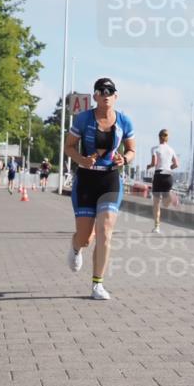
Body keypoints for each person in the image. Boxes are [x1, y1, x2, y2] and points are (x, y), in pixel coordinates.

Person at [64, 77, 136, 300]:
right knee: (86, 238)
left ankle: (97, 285)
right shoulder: (83, 119)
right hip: (86, 179)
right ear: (95, 96)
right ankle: (76, 247)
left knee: (105, 231)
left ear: (116, 96)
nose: (106, 94)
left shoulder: (124, 121)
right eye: (101, 91)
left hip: (110, 180)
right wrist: (81, 160)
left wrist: (125, 158)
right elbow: (69, 146)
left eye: (110, 91)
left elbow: (132, 150)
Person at [146, 128, 179, 234]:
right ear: (167, 138)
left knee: (156, 203)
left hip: (159, 175)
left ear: (159, 137)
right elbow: (176, 164)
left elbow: (154, 162)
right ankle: (171, 195)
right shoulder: (171, 150)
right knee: (165, 203)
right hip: (168, 175)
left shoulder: (155, 148)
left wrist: (149, 166)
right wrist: (169, 168)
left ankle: (157, 227)